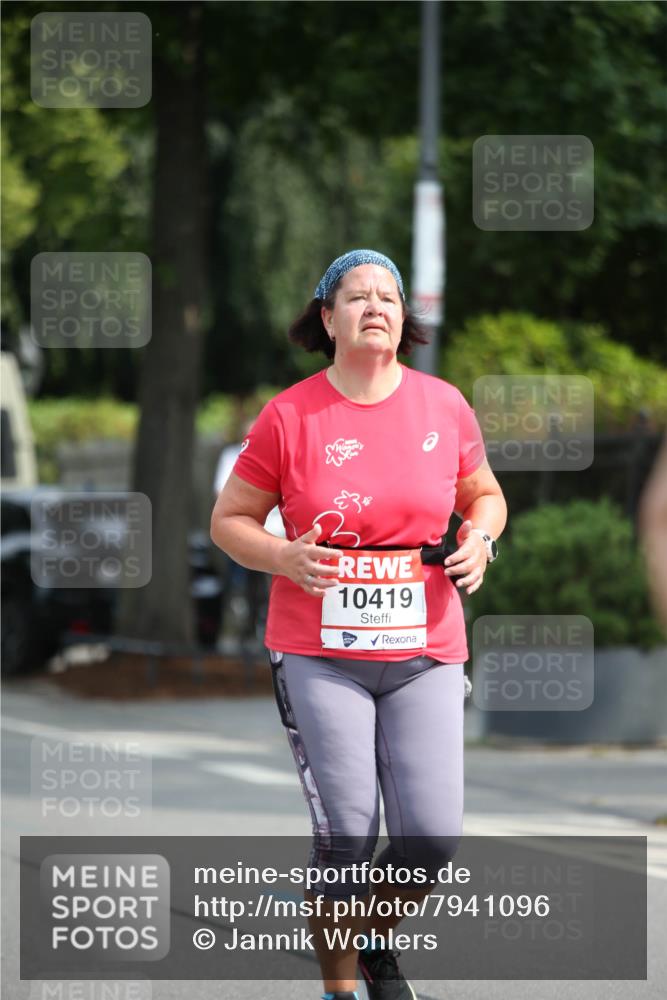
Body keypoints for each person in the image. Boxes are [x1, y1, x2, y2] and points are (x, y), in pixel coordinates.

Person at [210, 248, 508, 1000]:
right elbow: (228, 521)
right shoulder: (290, 415)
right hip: (319, 655)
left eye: (388, 296)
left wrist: (480, 538)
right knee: (348, 834)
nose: (375, 305)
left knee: (430, 839)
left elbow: (484, 496)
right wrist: (282, 555)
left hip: (426, 647)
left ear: (403, 319)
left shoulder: (444, 406)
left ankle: (369, 940)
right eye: (356, 296)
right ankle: (340, 991)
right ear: (326, 316)